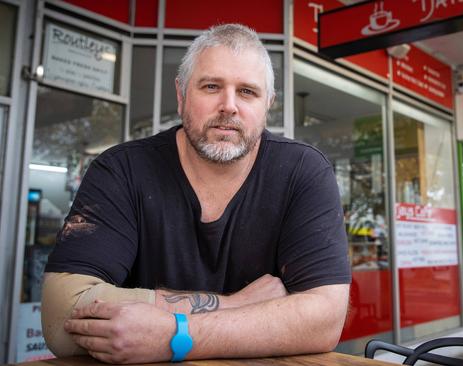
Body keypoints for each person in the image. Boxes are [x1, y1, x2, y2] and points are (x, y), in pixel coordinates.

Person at [41, 24, 351, 364]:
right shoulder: (122, 169)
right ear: (181, 94)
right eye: (211, 86)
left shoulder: (303, 172)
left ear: (268, 105)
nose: (229, 106)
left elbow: (324, 318)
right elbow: (62, 313)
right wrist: (238, 304)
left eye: (247, 92)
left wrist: (175, 335)